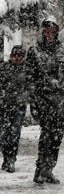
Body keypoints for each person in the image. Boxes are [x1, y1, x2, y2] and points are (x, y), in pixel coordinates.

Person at [26, 16, 64, 184]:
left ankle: (49, 169)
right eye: (47, 32)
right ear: (42, 32)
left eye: (53, 32)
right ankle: (40, 169)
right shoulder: (35, 51)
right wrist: (34, 101)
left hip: (62, 100)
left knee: (57, 137)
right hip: (44, 99)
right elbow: (30, 77)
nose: (50, 35)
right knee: (46, 135)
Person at [0, 45, 28, 173]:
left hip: (19, 106)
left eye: (21, 58)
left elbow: (31, 86)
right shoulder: (4, 68)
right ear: (11, 57)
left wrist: (26, 96)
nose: (18, 60)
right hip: (5, 105)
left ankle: (11, 158)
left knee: (15, 134)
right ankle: (6, 157)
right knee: (5, 134)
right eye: (16, 58)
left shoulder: (27, 70)